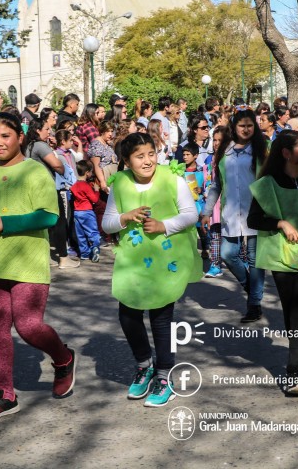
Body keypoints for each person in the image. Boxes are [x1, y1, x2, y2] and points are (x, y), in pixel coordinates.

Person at [0, 113, 76, 420]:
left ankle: (63, 358)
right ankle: (4, 394)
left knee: (27, 326)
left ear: (20, 138)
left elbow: (49, 216)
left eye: (5, 136)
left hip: (27, 263)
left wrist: (6, 222)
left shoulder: (35, 172)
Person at [102, 133, 202, 407]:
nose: (147, 161)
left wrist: (163, 225)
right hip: (133, 261)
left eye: (150, 153)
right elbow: (107, 223)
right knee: (127, 315)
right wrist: (124, 217)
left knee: (161, 317)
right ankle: (144, 364)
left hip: (166, 260)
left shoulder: (172, 178)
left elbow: (190, 214)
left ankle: (164, 373)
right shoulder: (120, 184)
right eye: (139, 156)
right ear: (126, 160)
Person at [248, 130, 298, 396]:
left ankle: (293, 370)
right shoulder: (267, 184)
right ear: (285, 152)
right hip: (279, 257)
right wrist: (280, 223)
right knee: (290, 310)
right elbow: (253, 220)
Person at [201, 108, 268, 323]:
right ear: (234, 128)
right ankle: (251, 288)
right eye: (242, 126)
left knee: (256, 259)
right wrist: (207, 211)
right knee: (229, 254)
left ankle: (254, 305)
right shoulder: (225, 152)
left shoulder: (261, 149)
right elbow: (216, 184)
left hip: (256, 212)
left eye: (250, 125)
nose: (246, 129)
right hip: (231, 213)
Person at [25, 118, 78, 268]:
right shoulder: (41, 146)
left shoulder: (29, 146)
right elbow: (56, 165)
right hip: (47, 188)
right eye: (47, 129)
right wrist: (62, 169)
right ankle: (63, 258)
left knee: (43, 224)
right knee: (59, 222)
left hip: (34, 188)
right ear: (38, 130)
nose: (49, 132)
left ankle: (45, 256)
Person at [204, 127, 227, 278]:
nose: (216, 143)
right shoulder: (212, 159)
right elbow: (213, 183)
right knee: (215, 234)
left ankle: (244, 260)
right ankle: (215, 264)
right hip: (215, 202)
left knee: (234, 236)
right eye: (215, 140)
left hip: (228, 202)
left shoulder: (230, 158)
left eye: (220, 140)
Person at [71, 159, 101, 262]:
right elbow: (95, 200)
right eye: (91, 172)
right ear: (87, 173)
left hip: (77, 212)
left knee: (80, 234)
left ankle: (84, 254)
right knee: (92, 231)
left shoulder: (74, 186)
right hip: (87, 212)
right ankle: (95, 247)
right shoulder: (86, 186)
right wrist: (96, 190)